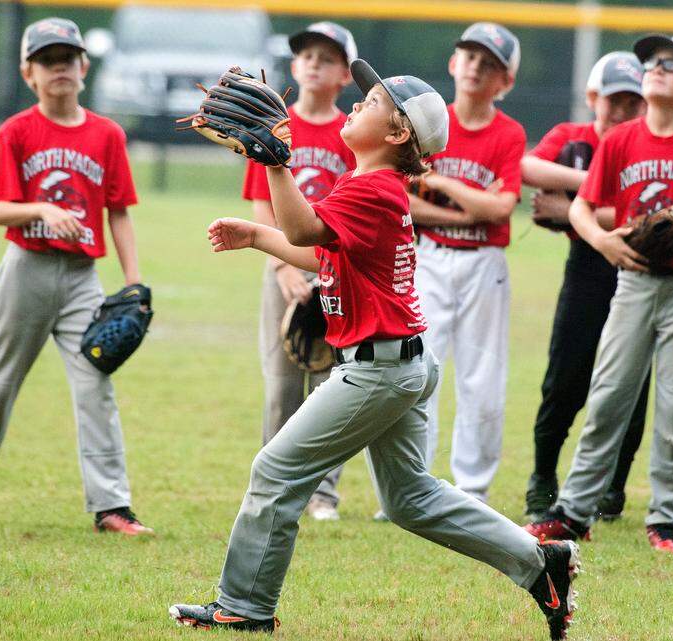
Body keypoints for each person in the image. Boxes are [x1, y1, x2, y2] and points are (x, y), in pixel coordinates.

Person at [170, 60, 580, 640]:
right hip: (401, 361)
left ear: (397, 133)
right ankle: (541, 562)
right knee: (410, 498)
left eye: (371, 103)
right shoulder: (371, 186)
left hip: (378, 371)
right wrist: (258, 235)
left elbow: (306, 230)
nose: (357, 105)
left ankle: (244, 606)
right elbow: (323, 251)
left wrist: (276, 165)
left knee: (276, 470)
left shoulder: (372, 188)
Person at [526, 34, 673, 553]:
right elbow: (582, 207)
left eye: (672, 65)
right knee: (608, 397)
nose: (657, 68)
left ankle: (665, 519)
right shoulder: (621, 139)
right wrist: (602, 241)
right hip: (633, 283)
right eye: (653, 62)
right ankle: (574, 513)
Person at [0, 18, 151, 535]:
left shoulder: (107, 134)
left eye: (67, 58)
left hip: (81, 278)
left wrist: (133, 282)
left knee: (95, 384)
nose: (59, 68)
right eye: (47, 60)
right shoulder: (16, 132)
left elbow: (119, 211)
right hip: (25, 270)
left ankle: (111, 506)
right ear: (27, 73)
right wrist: (41, 209)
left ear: (84, 67)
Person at [520, 51, 648, 521]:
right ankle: (542, 476)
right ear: (593, 97)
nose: (621, 111)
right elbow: (526, 168)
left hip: (638, 267)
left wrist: (571, 209)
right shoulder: (574, 138)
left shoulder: (647, 144)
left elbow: (646, 216)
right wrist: (593, 186)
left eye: (632, 102)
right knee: (565, 377)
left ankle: (614, 485)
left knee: (631, 384)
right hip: (587, 267)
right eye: (614, 100)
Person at [242, 21, 358, 522]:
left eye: (327, 58)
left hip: (336, 271)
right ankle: (274, 486)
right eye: (307, 55)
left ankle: (323, 492)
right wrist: (280, 266)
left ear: (345, 76)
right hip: (283, 270)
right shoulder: (275, 125)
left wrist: (323, 267)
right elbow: (260, 202)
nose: (314, 64)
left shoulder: (353, 133)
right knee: (282, 383)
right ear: (293, 65)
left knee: (333, 385)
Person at [408, 22, 526, 503]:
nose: (476, 67)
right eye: (470, 56)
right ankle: (411, 482)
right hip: (428, 258)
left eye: (490, 63)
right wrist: (466, 206)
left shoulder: (509, 133)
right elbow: (402, 199)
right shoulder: (430, 121)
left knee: (482, 377)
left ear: (506, 81)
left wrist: (440, 182)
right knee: (417, 372)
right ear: (454, 62)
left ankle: (472, 490)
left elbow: (501, 208)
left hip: (484, 264)